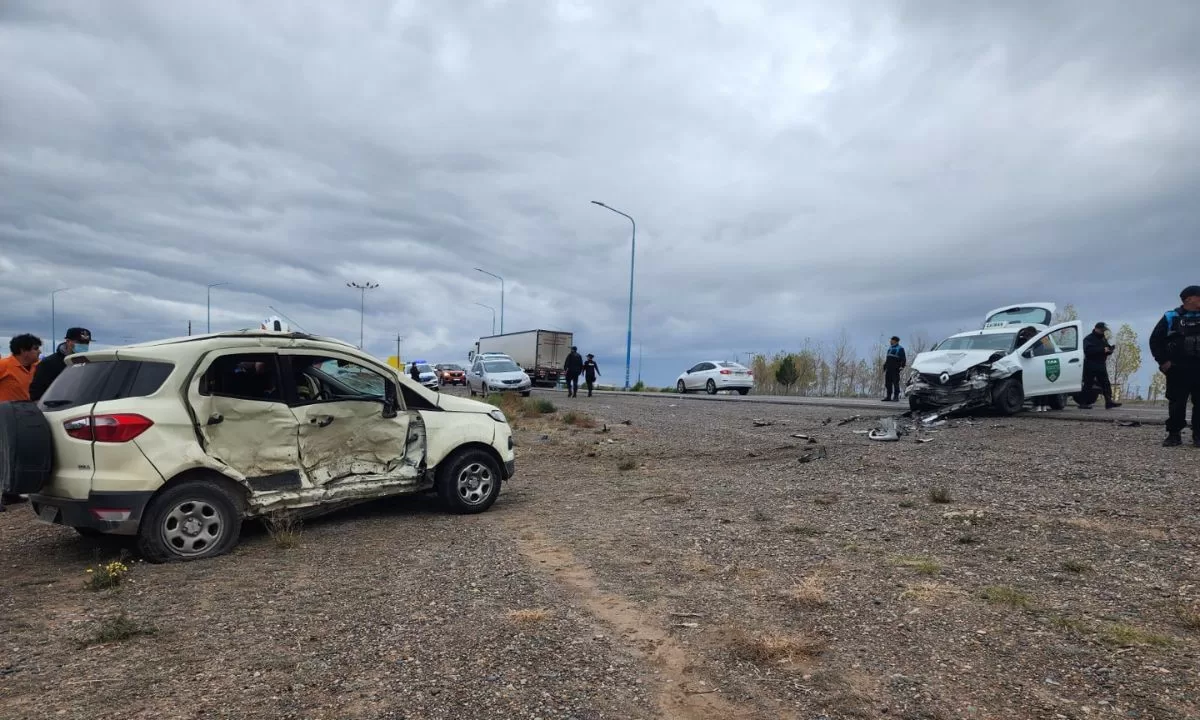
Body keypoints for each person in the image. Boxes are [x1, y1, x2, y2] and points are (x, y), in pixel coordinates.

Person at [1150, 285, 1200, 447]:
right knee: (1177, 403)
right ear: (1188, 299)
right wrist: (1163, 362)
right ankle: (1174, 434)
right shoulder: (1171, 316)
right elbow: (1155, 340)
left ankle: (1198, 436)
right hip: (1178, 369)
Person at [0, 334, 43, 508]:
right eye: (35, 348)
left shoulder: (37, 367)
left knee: (15, 456)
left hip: (24, 416)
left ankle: (11, 493)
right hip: (4, 417)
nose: (38, 351)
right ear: (23, 351)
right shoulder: (5, 365)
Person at [29, 327, 90, 402]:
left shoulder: (88, 363)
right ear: (68, 341)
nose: (84, 345)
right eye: (79, 342)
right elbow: (36, 393)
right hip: (55, 408)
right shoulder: (48, 363)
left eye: (86, 343)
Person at [1077, 322, 1121, 410]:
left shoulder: (1103, 338)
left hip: (1101, 364)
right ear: (1096, 329)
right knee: (1088, 384)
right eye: (1101, 330)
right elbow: (1088, 351)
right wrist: (1102, 350)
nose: (1102, 332)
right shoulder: (1088, 339)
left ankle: (1109, 402)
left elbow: (1106, 348)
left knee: (1105, 383)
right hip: (1090, 364)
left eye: (1104, 331)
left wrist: (1110, 350)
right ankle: (1083, 403)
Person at [0, 334, 42, 404]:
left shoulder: (39, 367)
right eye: (35, 348)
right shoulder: (3, 365)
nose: (39, 352)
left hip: (30, 411)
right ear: (23, 350)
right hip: (6, 412)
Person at [882, 336, 906, 402]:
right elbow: (888, 358)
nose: (890, 341)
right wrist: (884, 366)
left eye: (891, 340)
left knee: (895, 383)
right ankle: (888, 396)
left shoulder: (900, 348)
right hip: (888, 369)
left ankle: (896, 397)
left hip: (895, 369)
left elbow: (903, 359)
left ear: (895, 341)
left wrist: (902, 366)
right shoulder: (890, 348)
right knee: (887, 383)